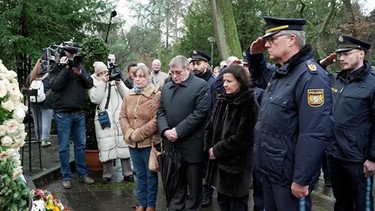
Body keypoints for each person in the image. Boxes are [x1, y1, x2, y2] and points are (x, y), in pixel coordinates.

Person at [248, 16, 333, 211]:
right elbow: (258, 78)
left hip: (290, 178)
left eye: (272, 39)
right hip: (271, 170)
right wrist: (254, 56)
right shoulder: (283, 72)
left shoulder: (311, 77)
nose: (267, 44)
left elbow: (315, 133)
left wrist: (302, 179)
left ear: (292, 39)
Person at [320, 35, 375, 211]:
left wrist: (373, 158)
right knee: (341, 201)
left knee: (362, 203)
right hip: (334, 153)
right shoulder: (336, 79)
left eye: (346, 53)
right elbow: (312, 75)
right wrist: (322, 64)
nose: (341, 58)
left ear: (361, 54)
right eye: (339, 54)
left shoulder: (372, 83)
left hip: (357, 158)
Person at [157, 55, 211, 210]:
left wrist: (178, 131)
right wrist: (165, 131)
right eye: (172, 72)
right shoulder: (167, 87)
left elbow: (201, 113)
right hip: (171, 147)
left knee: (194, 190)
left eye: (178, 72)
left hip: (192, 147)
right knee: (175, 187)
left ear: (188, 69)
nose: (174, 76)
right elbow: (160, 112)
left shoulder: (201, 86)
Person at [204, 64, 259, 211]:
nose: (225, 85)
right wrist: (209, 147)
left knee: (237, 205)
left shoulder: (249, 104)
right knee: (223, 203)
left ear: (240, 82)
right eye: (224, 81)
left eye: (229, 81)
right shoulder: (223, 100)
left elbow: (244, 138)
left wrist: (217, 150)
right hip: (219, 165)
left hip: (237, 167)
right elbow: (211, 125)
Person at [49, 42, 95, 189]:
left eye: (74, 54)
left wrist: (79, 73)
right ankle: (66, 177)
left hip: (79, 113)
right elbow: (55, 86)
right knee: (63, 147)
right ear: (64, 54)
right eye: (70, 54)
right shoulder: (56, 68)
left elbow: (90, 83)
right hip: (63, 114)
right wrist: (65, 69)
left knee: (81, 146)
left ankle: (83, 174)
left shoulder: (79, 66)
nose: (73, 56)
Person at [119, 63, 161, 211]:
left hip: (148, 143)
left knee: (150, 174)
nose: (138, 79)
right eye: (136, 76)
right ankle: (142, 203)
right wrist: (130, 133)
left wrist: (139, 133)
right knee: (140, 174)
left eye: (142, 76)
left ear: (149, 77)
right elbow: (122, 116)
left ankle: (151, 205)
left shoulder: (156, 95)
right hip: (132, 143)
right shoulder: (128, 95)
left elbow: (156, 120)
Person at [88, 61, 134, 184]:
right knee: (105, 146)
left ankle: (128, 173)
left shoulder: (115, 80)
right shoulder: (94, 83)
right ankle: (107, 174)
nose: (104, 75)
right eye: (100, 73)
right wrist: (103, 83)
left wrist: (119, 83)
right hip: (104, 119)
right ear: (96, 74)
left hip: (119, 117)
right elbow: (95, 99)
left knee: (124, 145)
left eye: (105, 72)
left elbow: (127, 96)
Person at [189, 49, 217, 207]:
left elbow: (215, 108)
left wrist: (209, 130)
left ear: (206, 64)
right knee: (196, 165)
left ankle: (207, 193)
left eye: (198, 63)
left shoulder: (213, 83)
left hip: (207, 131)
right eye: (192, 63)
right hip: (193, 131)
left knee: (209, 166)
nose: (195, 67)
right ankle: (196, 191)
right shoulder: (191, 82)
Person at [26, 58, 54, 147]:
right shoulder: (51, 73)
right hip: (47, 101)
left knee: (37, 121)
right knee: (46, 121)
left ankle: (39, 137)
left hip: (34, 100)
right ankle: (45, 140)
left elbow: (27, 84)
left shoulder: (33, 73)